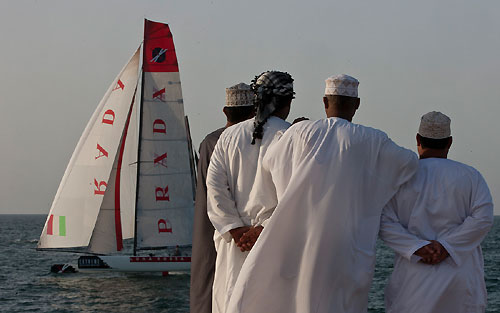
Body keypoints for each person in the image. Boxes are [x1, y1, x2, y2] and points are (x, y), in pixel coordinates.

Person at [227, 74, 419, 313]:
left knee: (299, 298)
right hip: (347, 243)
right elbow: (409, 163)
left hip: (302, 236)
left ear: (325, 102)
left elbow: (272, 161)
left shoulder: (300, 132)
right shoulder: (373, 139)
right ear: (356, 105)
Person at [379, 111, 494, 313]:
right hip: (460, 283)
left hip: (412, 284)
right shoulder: (471, 176)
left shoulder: (399, 178)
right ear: (449, 142)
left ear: (417, 139)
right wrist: (446, 247)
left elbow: (384, 221)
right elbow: (483, 219)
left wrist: (418, 247)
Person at [206, 71, 295, 313]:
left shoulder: (228, 137)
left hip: (233, 245)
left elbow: (214, 189)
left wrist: (234, 229)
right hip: (274, 242)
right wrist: (263, 229)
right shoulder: (291, 137)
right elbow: (295, 195)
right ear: (287, 103)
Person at [190, 83, 255, 313]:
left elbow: (212, 192)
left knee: (210, 274)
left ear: (225, 111)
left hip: (219, 226)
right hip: (251, 231)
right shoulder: (259, 139)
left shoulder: (211, 141)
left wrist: (233, 230)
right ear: (253, 112)